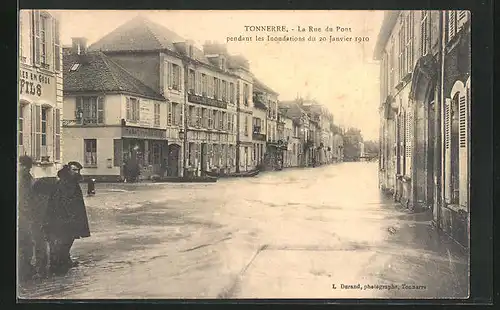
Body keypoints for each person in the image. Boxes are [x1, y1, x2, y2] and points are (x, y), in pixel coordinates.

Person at [43, 161, 90, 275]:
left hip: (72, 217)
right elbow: (60, 202)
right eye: (74, 170)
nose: (76, 172)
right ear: (68, 170)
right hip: (63, 218)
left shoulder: (73, 183)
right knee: (62, 242)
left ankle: (64, 261)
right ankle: (57, 265)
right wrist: (67, 217)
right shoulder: (63, 184)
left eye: (78, 170)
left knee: (68, 240)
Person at [18, 155, 35, 282]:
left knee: (26, 241)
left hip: (25, 214)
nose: (20, 168)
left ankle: (25, 266)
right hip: (24, 214)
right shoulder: (25, 178)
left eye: (22, 165)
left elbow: (27, 198)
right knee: (25, 241)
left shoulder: (25, 178)